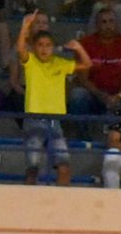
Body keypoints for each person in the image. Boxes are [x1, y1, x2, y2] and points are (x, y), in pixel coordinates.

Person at [17, 11, 90, 187]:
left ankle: (61, 206)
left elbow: (87, 64)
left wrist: (79, 48)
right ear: (34, 47)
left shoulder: (60, 63)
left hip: (55, 121)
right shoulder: (31, 61)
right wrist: (25, 27)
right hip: (34, 118)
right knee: (33, 167)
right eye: (40, 45)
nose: (44, 48)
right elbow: (20, 49)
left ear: (53, 47)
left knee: (64, 166)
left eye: (48, 45)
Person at [71, 7, 121, 121]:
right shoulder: (85, 44)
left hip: (120, 95)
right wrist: (101, 95)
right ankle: (83, 137)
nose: (108, 25)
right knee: (77, 95)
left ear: (116, 23)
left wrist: (119, 96)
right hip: (94, 94)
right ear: (97, 25)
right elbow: (83, 79)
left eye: (111, 21)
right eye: (104, 22)